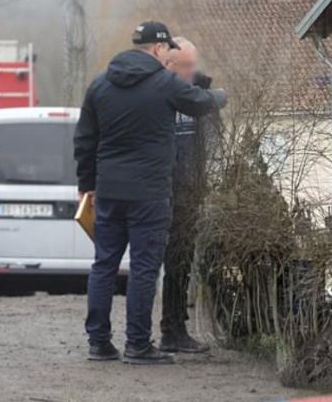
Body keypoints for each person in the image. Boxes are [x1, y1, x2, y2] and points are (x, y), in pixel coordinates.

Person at [75, 21, 226, 365]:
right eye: (168, 49)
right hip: (150, 192)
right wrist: (221, 96)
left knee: (104, 264)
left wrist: (87, 186)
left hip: (109, 191)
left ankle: (98, 343)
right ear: (158, 49)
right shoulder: (164, 83)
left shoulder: (99, 85)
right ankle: (138, 345)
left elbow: (84, 140)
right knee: (144, 268)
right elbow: (200, 103)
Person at [159, 37, 212, 353]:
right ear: (169, 65)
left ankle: (176, 328)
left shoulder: (196, 94)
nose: (193, 72)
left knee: (183, 261)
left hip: (191, 190)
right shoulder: (158, 96)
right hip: (165, 191)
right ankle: (170, 330)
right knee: (170, 261)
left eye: (195, 65)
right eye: (186, 67)